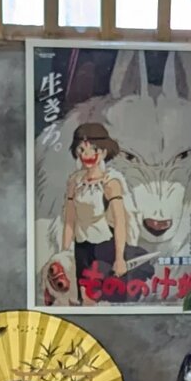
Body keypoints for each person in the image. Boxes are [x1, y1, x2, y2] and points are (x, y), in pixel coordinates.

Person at [59, 122, 151, 305]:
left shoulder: (110, 182)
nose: (87, 155)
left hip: (105, 246)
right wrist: (64, 254)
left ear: (103, 151)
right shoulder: (74, 181)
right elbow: (69, 220)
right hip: (81, 248)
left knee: (103, 297)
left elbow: (120, 221)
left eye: (93, 149)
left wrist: (120, 258)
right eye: (81, 149)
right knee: (81, 297)